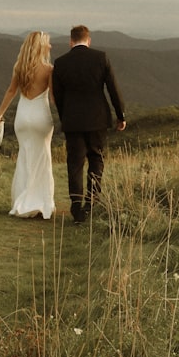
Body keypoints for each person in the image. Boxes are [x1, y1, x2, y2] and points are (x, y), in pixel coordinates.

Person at [51, 25, 126, 223]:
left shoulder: (60, 62)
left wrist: (65, 116)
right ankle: (91, 203)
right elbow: (113, 89)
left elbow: (58, 96)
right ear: (88, 40)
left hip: (73, 120)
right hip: (98, 119)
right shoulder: (101, 58)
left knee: (74, 163)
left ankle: (76, 209)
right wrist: (121, 115)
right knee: (96, 159)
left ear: (71, 41)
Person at [0, 31, 56, 219]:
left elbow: (11, 91)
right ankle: (41, 203)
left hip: (22, 117)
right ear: (41, 46)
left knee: (25, 157)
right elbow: (53, 98)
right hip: (40, 117)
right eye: (48, 43)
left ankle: (22, 201)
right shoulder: (49, 69)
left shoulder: (19, 67)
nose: (50, 46)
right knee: (42, 158)